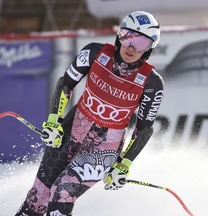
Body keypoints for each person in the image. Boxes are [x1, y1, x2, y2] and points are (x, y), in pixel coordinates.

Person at [15, 10, 164, 216]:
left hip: (104, 149)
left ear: (150, 48)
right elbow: (66, 83)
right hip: (69, 133)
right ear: (119, 35)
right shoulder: (95, 52)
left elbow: (144, 129)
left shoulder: (152, 82)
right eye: (128, 36)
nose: (131, 46)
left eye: (141, 43)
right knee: (37, 199)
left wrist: (124, 164)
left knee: (62, 191)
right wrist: (53, 121)